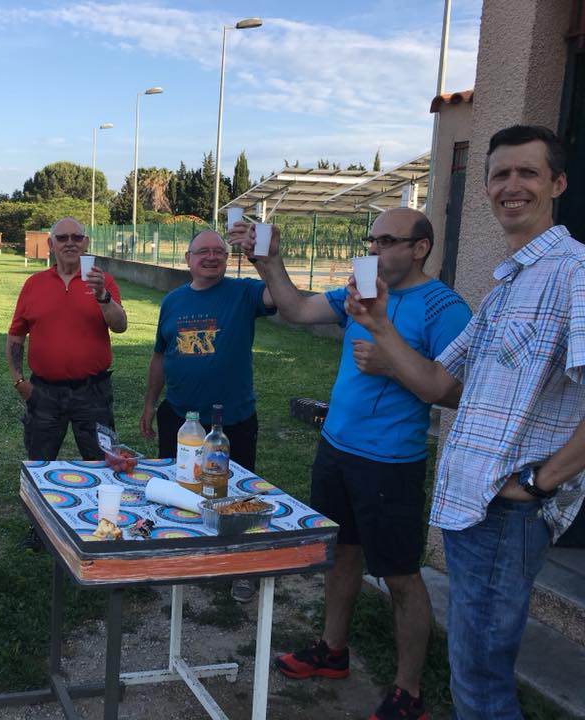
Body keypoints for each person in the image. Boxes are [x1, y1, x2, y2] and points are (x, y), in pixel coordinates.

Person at [346, 125, 585, 719]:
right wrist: (379, 325)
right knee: (473, 673)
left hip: (508, 511)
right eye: (500, 174)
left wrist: (538, 484)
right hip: (470, 507)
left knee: (481, 684)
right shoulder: (506, 287)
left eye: (528, 173)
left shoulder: (575, 273)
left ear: (557, 183)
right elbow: (438, 383)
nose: (512, 186)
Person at [231, 208, 471, 720]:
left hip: (390, 463)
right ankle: (331, 650)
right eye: (372, 240)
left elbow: (457, 391)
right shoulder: (361, 289)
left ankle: (408, 693)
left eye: (388, 241)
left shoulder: (444, 307)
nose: (375, 250)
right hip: (337, 449)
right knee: (341, 554)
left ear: (420, 247)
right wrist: (268, 262)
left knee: (401, 576)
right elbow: (295, 310)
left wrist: (395, 364)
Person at [139, 228, 276, 601]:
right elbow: (159, 356)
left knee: (237, 496)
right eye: (203, 252)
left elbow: (278, 296)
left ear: (228, 258)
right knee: (178, 487)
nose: (212, 257)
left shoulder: (244, 293)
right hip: (180, 417)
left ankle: (241, 569)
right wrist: (151, 403)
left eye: (219, 251)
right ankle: (179, 556)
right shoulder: (172, 301)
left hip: (233, 420)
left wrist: (264, 259)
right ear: (188, 259)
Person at [6, 217, 127, 548]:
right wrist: (17, 379)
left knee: (103, 461)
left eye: (77, 237)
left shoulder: (103, 282)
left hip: (93, 392)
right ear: (51, 244)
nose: (70, 243)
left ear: (86, 244)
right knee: (40, 463)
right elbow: (16, 334)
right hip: (44, 392)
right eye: (63, 238)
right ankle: (40, 529)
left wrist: (103, 296)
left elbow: (120, 326)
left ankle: (105, 523)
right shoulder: (34, 284)